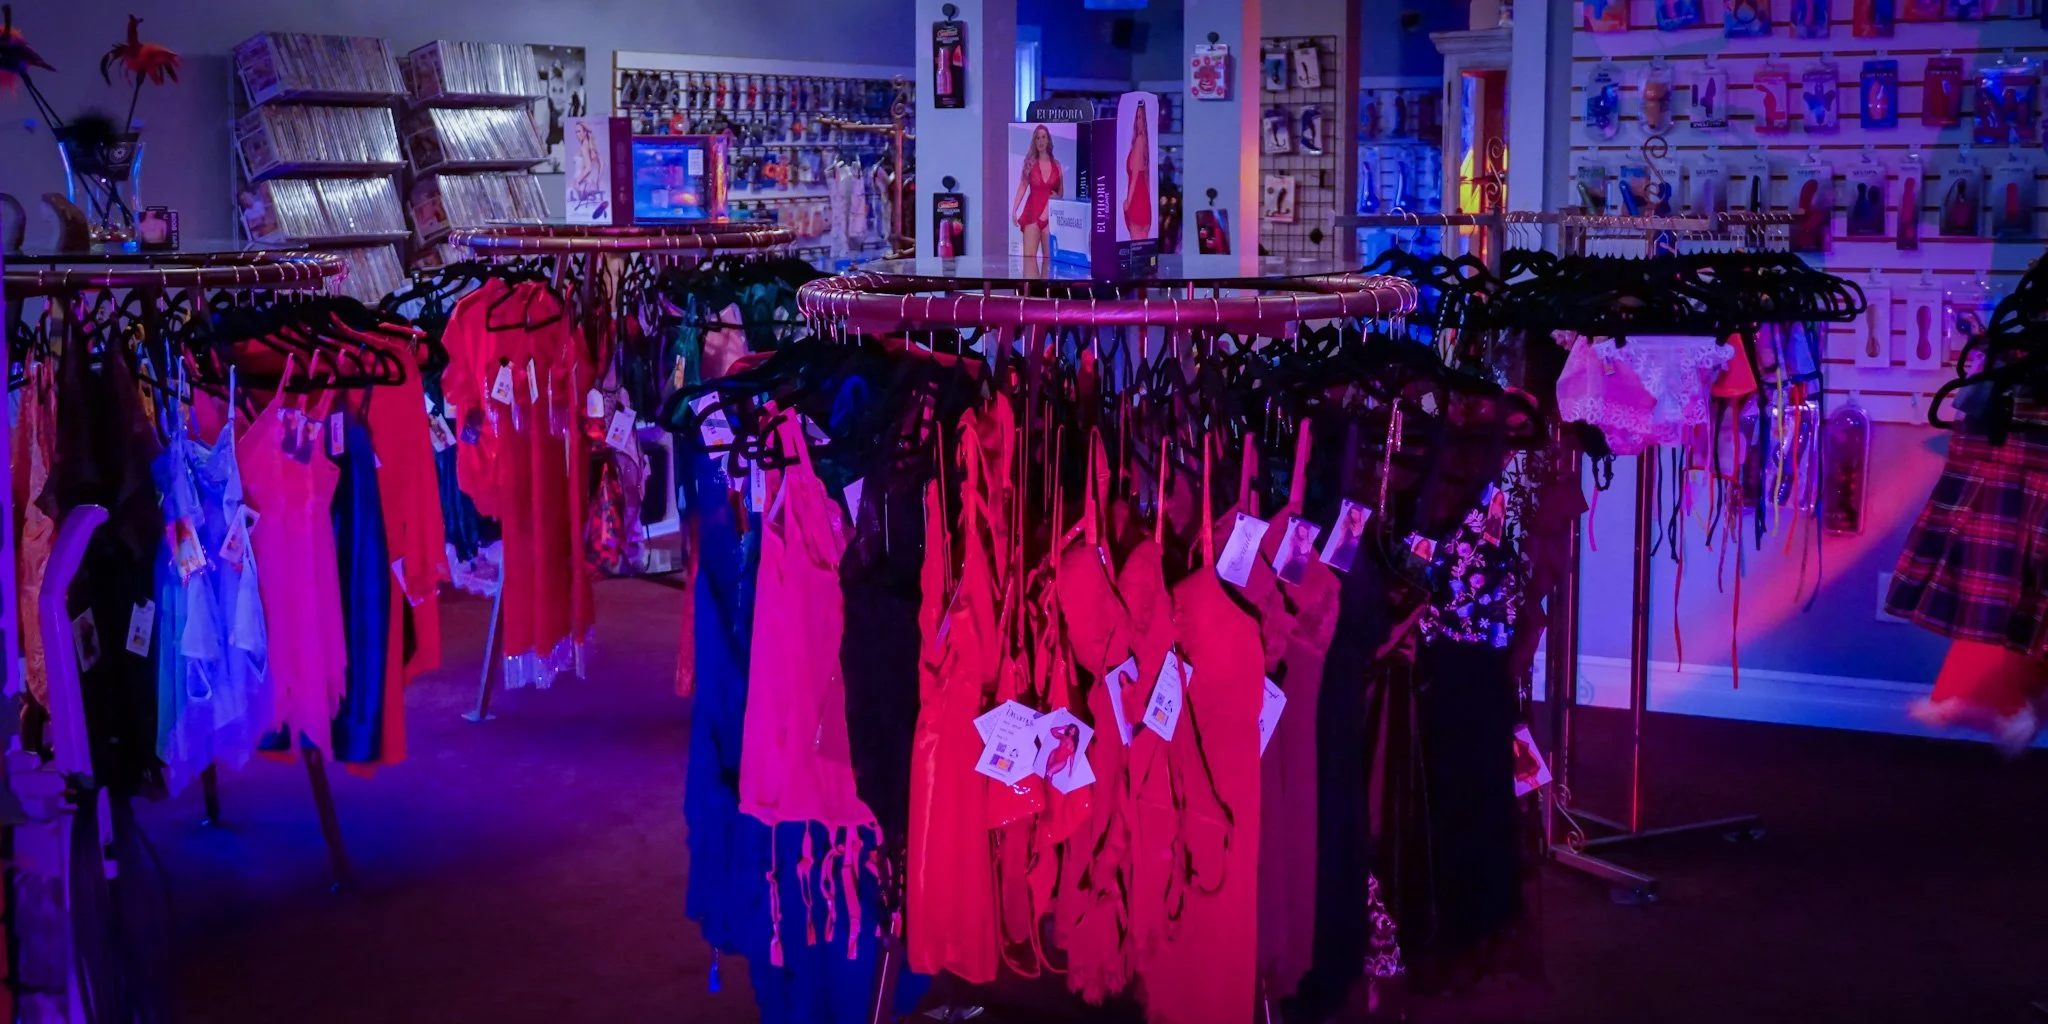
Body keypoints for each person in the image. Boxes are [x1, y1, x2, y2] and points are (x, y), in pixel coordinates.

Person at [1012, 125, 1063, 261]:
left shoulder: (1057, 165)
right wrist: (1014, 209)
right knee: (1029, 260)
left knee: (1050, 261)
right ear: (1034, 142)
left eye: (1043, 137)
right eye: (1037, 138)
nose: (1040, 141)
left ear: (1048, 140)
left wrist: (1056, 197)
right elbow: (1023, 186)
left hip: (1050, 217)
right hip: (1032, 214)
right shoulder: (1030, 163)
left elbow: (1060, 193)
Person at [1124, 102, 1153, 239]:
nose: (1139, 121)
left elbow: (1135, 175)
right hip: (1144, 198)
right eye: (1137, 117)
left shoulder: (1139, 141)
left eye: (1141, 117)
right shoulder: (1145, 142)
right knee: (1142, 242)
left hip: (1137, 198)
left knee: (1136, 243)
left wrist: (1128, 201)